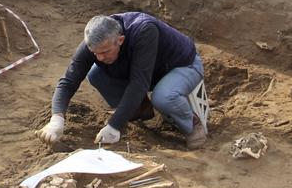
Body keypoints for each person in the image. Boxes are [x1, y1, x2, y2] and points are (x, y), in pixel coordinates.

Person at [37, 13, 208, 151]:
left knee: (163, 97)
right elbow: (68, 81)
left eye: (105, 52)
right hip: (147, 71)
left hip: (181, 65)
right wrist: (56, 119)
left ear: (120, 40)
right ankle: (140, 109)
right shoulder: (95, 42)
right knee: (95, 74)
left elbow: (139, 83)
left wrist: (114, 126)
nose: (100, 57)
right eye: (95, 53)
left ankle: (191, 124)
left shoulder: (144, 30)